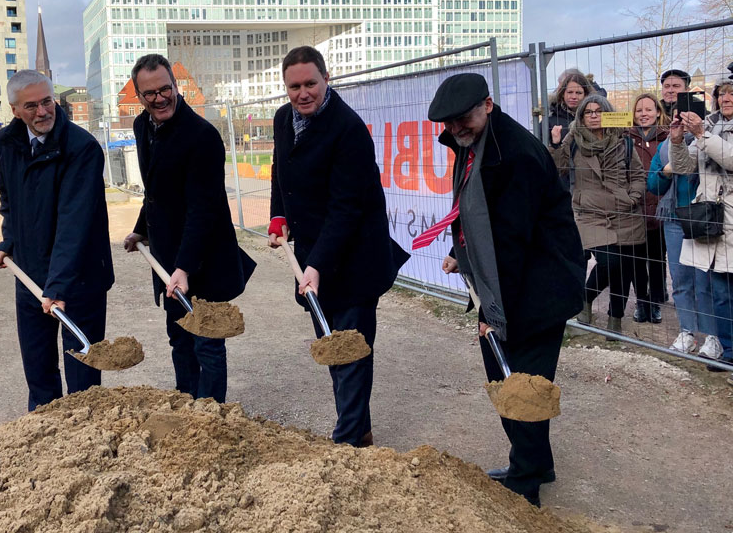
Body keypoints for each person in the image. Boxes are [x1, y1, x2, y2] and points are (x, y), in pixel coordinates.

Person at [423, 73, 584, 507]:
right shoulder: (475, 144)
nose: (456, 129)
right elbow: (474, 212)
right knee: (515, 377)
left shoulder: (516, 155)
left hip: (537, 286)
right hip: (516, 279)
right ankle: (536, 462)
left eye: (464, 119)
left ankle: (525, 484)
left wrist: (490, 315)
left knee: (518, 384)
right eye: (449, 122)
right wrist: (463, 252)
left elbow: (511, 243)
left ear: (488, 105)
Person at [267, 46, 409, 448]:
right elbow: (282, 171)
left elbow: (347, 208)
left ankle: (345, 442)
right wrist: (280, 216)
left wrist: (316, 265)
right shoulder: (282, 119)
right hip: (316, 255)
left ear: (327, 79)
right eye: (294, 86)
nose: (302, 93)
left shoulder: (348, 129)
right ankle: (358, 429)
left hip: (356, 258)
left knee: (350, 350)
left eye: (310, 83)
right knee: (333, 347)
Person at [122, 54, 255, 404]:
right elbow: (156, 189)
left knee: (207, 342)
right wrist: (141, 230)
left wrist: (183, 268)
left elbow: (203, 210)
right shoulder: (142, 127)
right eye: (149, 93)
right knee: (179, 337)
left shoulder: (202, 137)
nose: (159, 98)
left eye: (165, 89)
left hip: (204, 259)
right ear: (139, 95)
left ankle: (211, 415)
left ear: (176, 86)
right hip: (169, 259)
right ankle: (187, 406)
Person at [0, 69, 115, 411]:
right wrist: (9, 242)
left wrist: (58, 287)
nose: (43, 112)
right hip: (31, 277)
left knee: (83, 378)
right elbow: (9, 201)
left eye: (48, 102)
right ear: (15, 110)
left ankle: (86, 444)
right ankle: (46, 445)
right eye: (32, 106)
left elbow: (75, 224)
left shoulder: (82, 148)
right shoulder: (7, 143)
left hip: (79, 279)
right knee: (39, 373)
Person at [669, 81, 733, 370]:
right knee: (721, 294)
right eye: (721, 94)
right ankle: (732, 354)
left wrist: (701, 133)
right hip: (711, 222)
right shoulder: (710, 126)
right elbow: (684, 167)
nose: (725, 98)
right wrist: (676, 140)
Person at [550, 95, 647, 332]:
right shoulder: (573, 140)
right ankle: (586, 297)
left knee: (622, 267)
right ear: (581, 116)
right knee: (608, 261)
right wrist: (554, 144)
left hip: (623, 210)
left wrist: (633, 197)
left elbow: (637, 174)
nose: (593, 115)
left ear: (607, 113)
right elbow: (559, 169)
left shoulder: (624, 141)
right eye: (588, 112)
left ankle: (615, 320)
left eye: (598, 111)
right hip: (589, 212)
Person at [647, 119, 701, 354]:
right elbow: (653, 185)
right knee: (680, 280)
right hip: (674, 218)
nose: (683, 122)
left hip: (703, 218)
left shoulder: (705, 142)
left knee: (707, 282)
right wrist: (666, 172)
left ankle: (713, 335)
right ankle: (687, 331)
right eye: (678, 118)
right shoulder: (664, 147)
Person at [627, 93, 670, 324]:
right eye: (639, 110)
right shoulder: (626, 138)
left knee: (656, 260)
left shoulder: (666, 138)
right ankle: (641, 301)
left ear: (657, 112)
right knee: (636, 261)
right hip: (634, 210)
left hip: (659, 209)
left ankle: (654, 303)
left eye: (648, 109)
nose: (644, 114)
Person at [547, 69, 594, 145]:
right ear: (562, 94)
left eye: (578, 93)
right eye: (570, 92)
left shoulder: (595, 117)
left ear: (585, 95)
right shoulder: (549, 122)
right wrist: (555, 144)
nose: (574, 97)